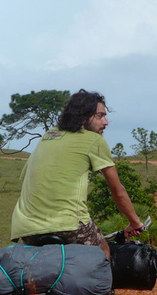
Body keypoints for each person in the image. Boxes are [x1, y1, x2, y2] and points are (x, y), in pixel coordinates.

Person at [11, 89, 146, 257]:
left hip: (26, 227)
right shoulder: (94, 140)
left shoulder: (49, 135)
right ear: (83, 117)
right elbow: (118, 191)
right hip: (69, 224)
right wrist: (135, 223)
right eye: (99, 116)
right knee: (102, 252)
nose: (106, 122)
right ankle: (101, 283)